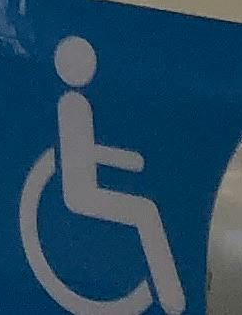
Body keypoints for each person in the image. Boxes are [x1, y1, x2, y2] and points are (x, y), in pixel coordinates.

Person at [51, 36, 185, 315]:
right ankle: (171, 296)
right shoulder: (72, 104)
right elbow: (81, 154)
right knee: (145, 211)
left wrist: (126, 161)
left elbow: (86, 152)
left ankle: (169, 293)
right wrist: (127, 160)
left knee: (144, 211)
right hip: (82, 193)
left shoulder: (75, 102)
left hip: (88, 185)